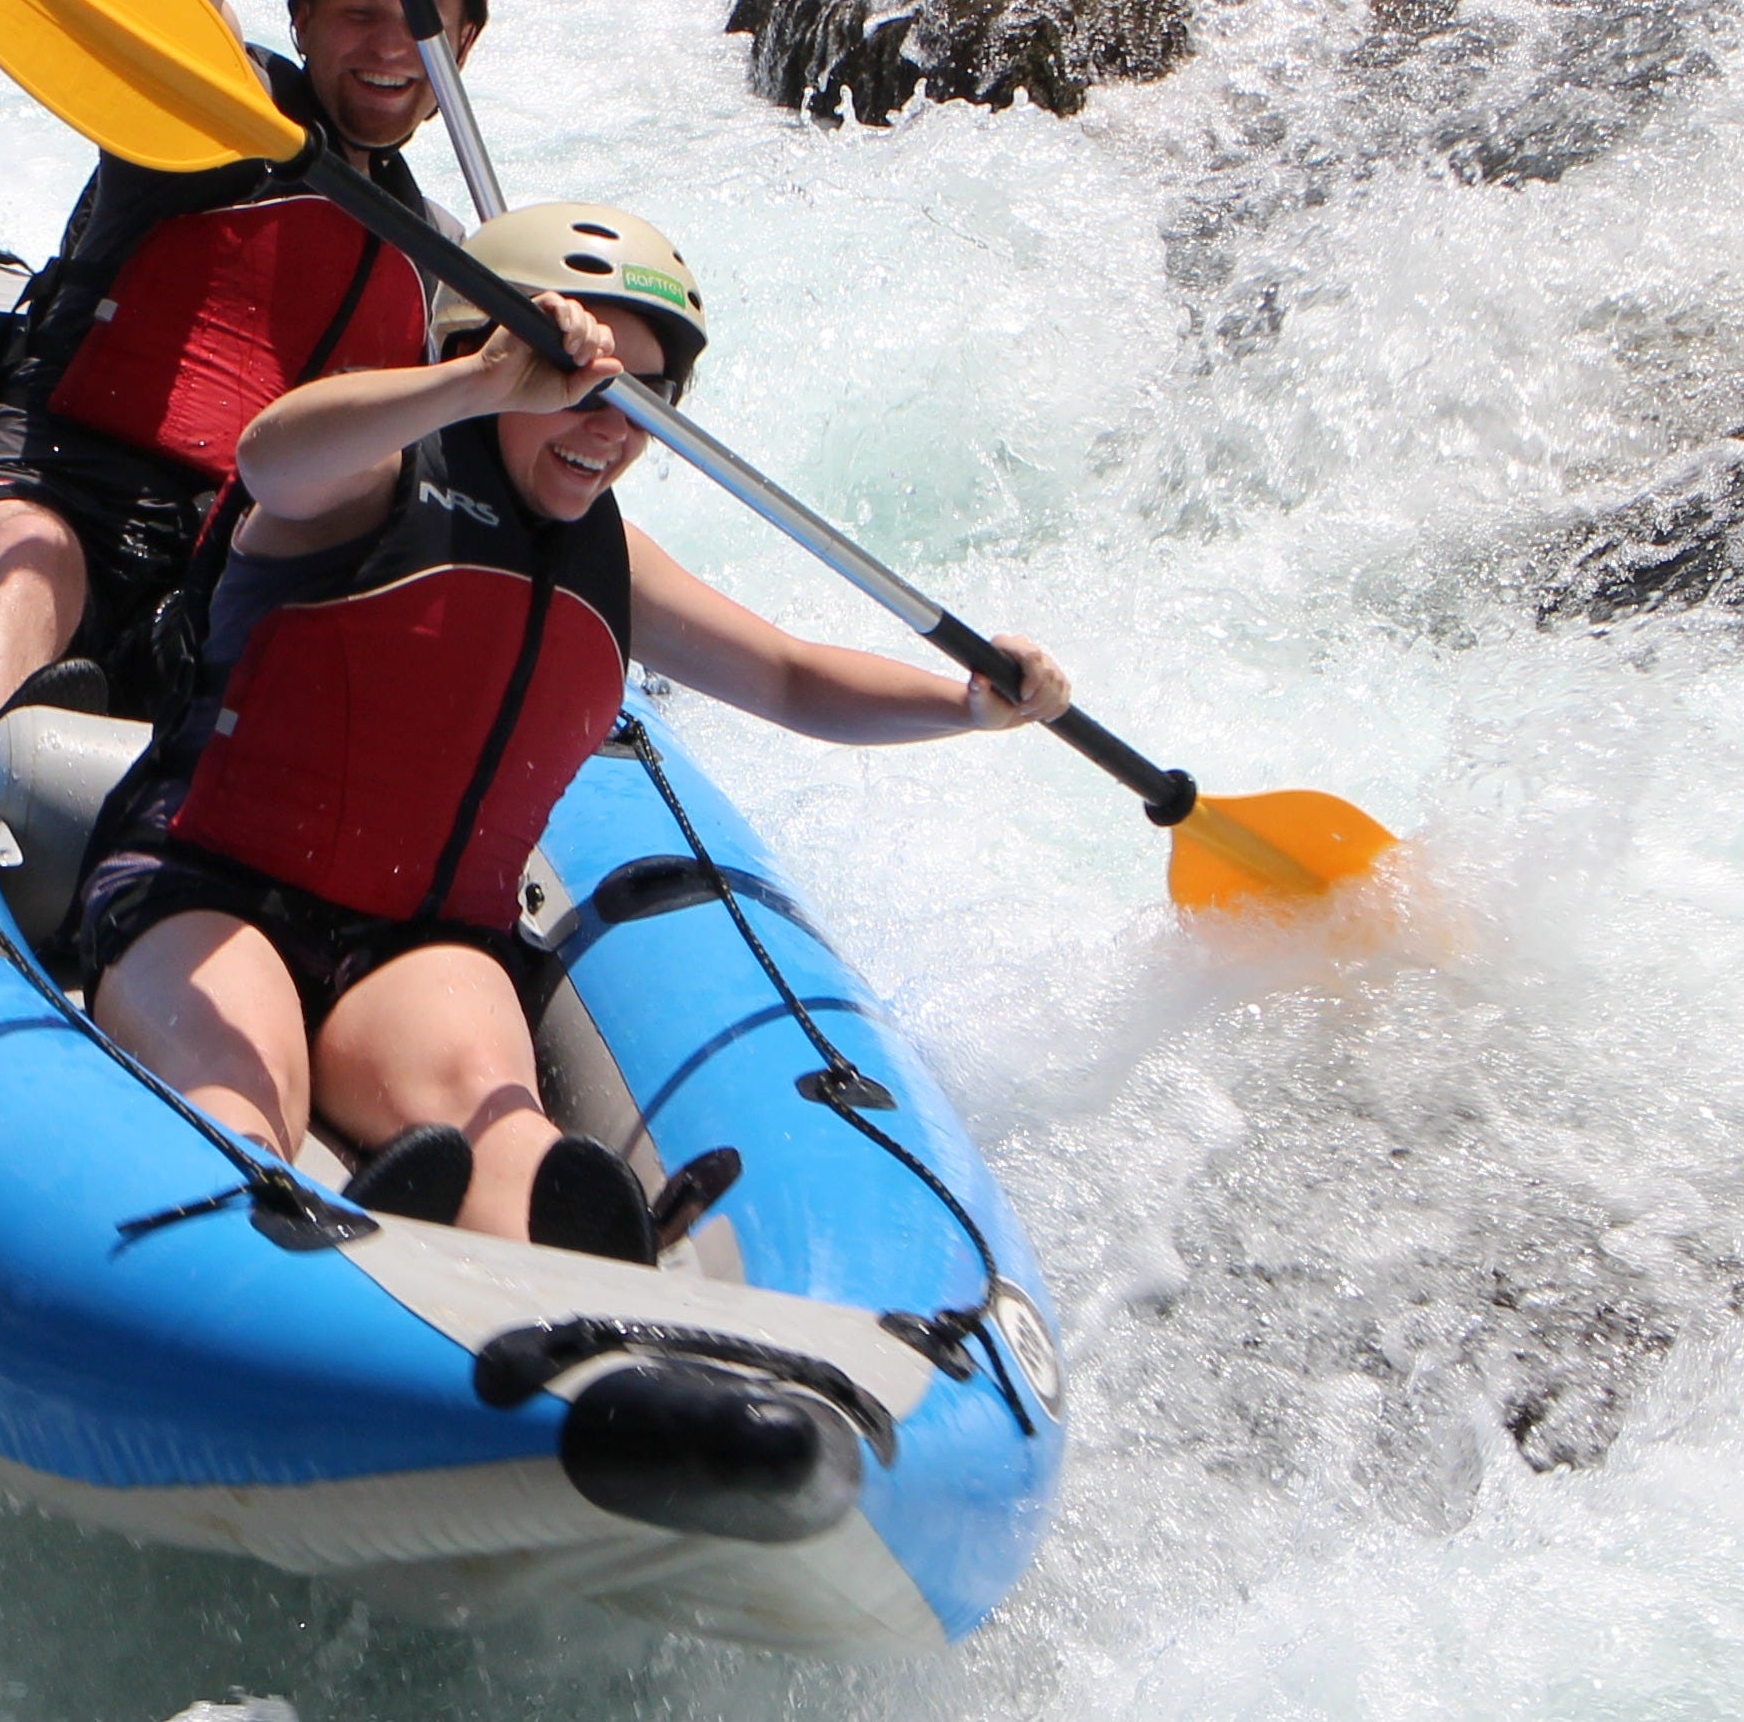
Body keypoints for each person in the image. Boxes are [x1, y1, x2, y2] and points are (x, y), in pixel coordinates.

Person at [76, 205, 1077, 1257]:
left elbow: (792, 681)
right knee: (243, 1077)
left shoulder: (614, 564)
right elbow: (269, 454)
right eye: (580, 386)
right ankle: (257, 1229)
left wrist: (965, 704)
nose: (609, 427)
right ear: (486, 356)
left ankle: (583, 1288)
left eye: (643, 400)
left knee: (497, 1115)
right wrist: (478, 384)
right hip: (206, 889)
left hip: (413, 941)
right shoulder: (366, 483)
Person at [0, 0, 491, 762]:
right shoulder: (201, 101)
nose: (389, 49)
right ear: (302, 22)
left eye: (419, 27)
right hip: (60, 474)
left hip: (233, 570)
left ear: (459, 48)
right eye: (359, 15)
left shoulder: (446, 259)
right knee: (34, 554)